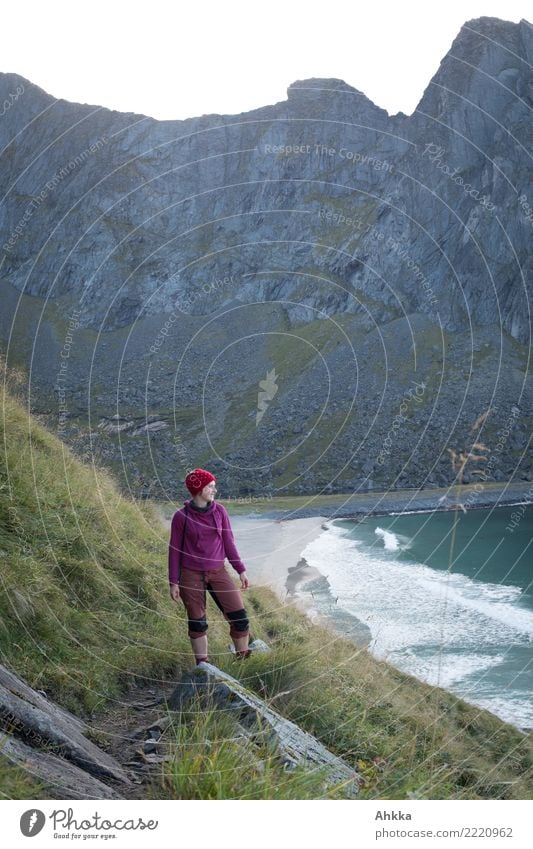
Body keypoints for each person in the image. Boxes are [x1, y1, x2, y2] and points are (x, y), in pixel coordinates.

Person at [168, 468, 252, 665]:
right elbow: (174, 551)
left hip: (218, 572)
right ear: (198, 489)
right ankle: (203, 668)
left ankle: (244, 662)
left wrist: (240, 570)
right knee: (197, 623)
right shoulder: (181, 517)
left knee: (240, 618)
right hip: (190, 575)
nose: (215, 490)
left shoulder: (220, 511)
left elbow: (229, 542)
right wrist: (173, 581)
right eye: (210, 486)